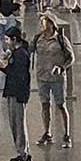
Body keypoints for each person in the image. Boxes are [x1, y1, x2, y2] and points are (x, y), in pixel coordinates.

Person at [31, 13, 74, 148]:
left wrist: (62, 68)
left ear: (51, 23)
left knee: (60, 105)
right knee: (44, 104)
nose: (42, 24)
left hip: (57, 79)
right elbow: (30, 50)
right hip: (42, 76)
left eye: (44, 21)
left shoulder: (61, 39)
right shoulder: (38, 39)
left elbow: (71, 57)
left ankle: (66, 134)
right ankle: (47, 132)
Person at [0, 25, 32, 161]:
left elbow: (19, 75)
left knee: (18, 125)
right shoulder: (17, 53)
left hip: (17, 93)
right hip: (14, 92)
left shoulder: (20, 55)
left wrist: (5, 67)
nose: (6, 42)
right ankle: (22, 153)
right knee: (15, 124)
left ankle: (23, 156)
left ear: (14, 39)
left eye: (7, 39)